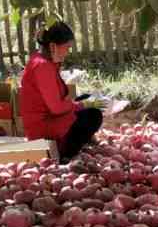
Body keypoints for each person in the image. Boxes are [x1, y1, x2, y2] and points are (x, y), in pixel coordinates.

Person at [20, 22, 103, 161]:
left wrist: (82, 103)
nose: (68, 52)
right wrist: (82, 105)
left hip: (47, 120)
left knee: (86, 97)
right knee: (94, 115)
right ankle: (65, 153)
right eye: (67, 47)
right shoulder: (42, 66)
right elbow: (56, 108)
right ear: (53, 46)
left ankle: (80, 140)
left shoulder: (41, 60)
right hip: (44, 130)